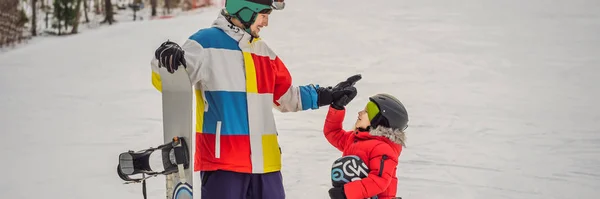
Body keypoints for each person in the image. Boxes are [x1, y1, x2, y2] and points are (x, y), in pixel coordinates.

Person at [150, 0, 361, 198]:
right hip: (223, 163)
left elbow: (288, 97)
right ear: (244, 8)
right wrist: (165, 59)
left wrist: (327, 95)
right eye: (264, 14)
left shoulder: (264, 53)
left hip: (266, 166)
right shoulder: (205, 44)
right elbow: (170, 83)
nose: (266, 22)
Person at [323, 93, 408, 199]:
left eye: (366, 112)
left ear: (378, 121)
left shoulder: (382, 149)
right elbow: (333, 133)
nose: (360, 113)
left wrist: (346, 193)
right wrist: (337, 108)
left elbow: (379, 181)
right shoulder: (355, 139)